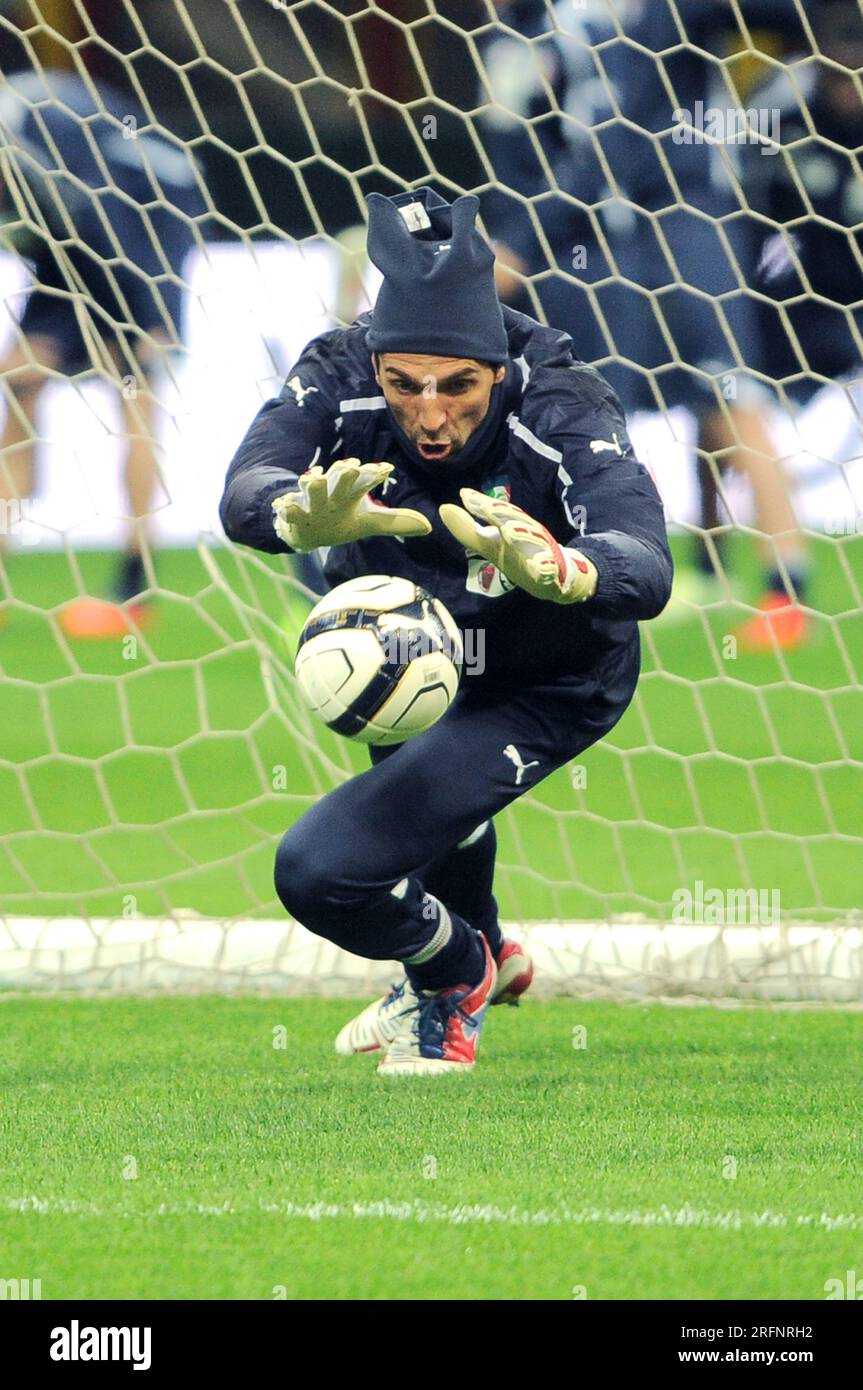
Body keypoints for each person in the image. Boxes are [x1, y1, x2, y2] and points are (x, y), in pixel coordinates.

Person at [220, 187, 672, 1076]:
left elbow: (644, 558)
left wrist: (569, 568)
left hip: (547, 681)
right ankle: (489, 955)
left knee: (321, 873)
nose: (429, 414)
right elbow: (247, 486)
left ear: (497, 369)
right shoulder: (338, 369)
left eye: (459, 386)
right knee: (438, 817)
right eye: (404, 386)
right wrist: (289, 518)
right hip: (406, 667)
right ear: (378, 364)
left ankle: (448, 976)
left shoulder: (563, 397)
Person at [476, 0, 812, 650]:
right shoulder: (521, 30)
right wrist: (512, 238)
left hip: (690, 217)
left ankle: (785, 588)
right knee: (602, 405)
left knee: (727, 394)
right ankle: (666, 566)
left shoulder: (665, 11)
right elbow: (518, 145)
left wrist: (519, 239)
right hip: (595, 235)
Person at [0, 69, 202, 637]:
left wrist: (149, 318)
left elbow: (104, 215)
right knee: (21, 379)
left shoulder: (31, 124)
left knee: (134, 386)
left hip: (149, 219)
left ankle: (134, 587)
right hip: (70, 244)